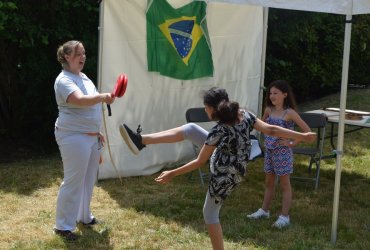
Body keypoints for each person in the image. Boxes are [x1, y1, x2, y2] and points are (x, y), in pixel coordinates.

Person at [119, 87, 316, 250]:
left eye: (206, 108)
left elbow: (198, 162)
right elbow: (270, 130)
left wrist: (172, 173)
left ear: (214, 109)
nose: (205, 111)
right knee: (190, 129)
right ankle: (141, 140)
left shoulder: (219, 131)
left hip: (226, 174)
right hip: (231, 160)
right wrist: (301, 136)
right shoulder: (245, 115)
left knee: (210, 214)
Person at [53, 40, 115, 240]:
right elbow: (79, 100)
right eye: (78, 54)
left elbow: (91, 105)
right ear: (66, 57)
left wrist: (97, 131)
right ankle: (63, 226)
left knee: (88, 179)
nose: (83, 57)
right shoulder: (64, 80)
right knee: (73, 181)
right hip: (73, 136)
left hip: (90, 136)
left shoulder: (84, 77)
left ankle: (84, 217)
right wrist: (104, 96)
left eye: (84, 53)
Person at [247, 80, 311, 229]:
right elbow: (260, 126)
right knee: (269, 183)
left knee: (284, 185)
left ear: (285, 95)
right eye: (270, 93)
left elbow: (306, 132)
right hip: (269, 152)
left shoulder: (290, 113)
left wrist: (291, 143)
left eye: (276, 93)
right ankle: (264, 210)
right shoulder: (269, 110)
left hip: (283, 154)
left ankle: (284, 216)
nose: (272, 96)